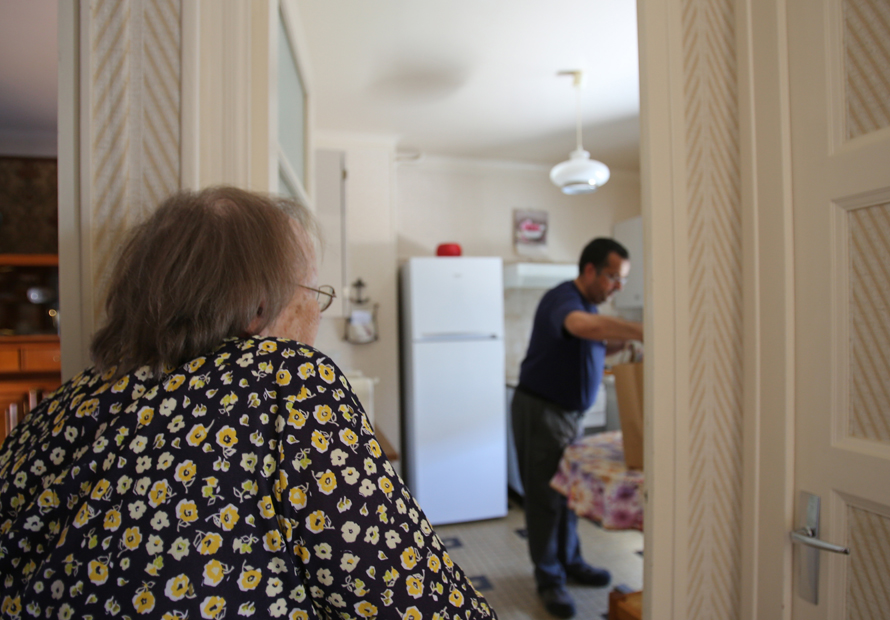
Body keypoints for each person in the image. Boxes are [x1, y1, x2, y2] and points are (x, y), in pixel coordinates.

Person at [0, 187, 496, 620]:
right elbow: (412, 597)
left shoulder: (61, 404)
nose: (317, 318)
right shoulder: (286, 379)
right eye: (313, 294)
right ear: (258, 308)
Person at [512, 238, 643, 618]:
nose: (617, 287)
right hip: (542, 413)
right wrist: (640, 329)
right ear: (590, 270)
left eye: (621, 281)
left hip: (566, 416)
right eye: (613, 279)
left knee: (568, 494)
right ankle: (550, 580)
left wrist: (624, 343)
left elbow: (595, 342)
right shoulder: (564, 300)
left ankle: (570, 563)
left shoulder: (588, 305)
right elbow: (582, 326)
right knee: (545, 501)